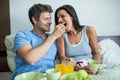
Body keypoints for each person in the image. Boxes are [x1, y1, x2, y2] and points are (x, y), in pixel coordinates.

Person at [11, 3, 65, 80]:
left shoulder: (53, 38)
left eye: (50, 18)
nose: (50, 22)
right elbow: (30, 59)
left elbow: (60, 59)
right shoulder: (22, 35)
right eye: (46, 19)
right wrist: (53, 36)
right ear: (35, 20)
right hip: (26, 77)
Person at [55, 4, 101, 74]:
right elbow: (62, 57)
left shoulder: (89, 30)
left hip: (90, 68)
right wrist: (79, 69)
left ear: (72, 17)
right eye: (57, 18)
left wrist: (96, 67)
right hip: (73, 69)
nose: (59, 20)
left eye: (62, 16)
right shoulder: (60, 35)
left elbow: (96, 53)